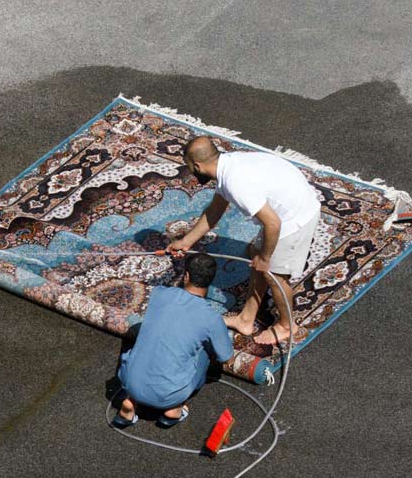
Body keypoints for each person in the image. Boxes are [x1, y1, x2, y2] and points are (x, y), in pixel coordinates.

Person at [167, 136, 321, 345]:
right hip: (287, 204)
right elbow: (215, 211)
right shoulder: (226, 165)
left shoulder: (235, 183)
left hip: (295, 217)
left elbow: (273, 223)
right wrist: (186, 242)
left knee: (272, 273)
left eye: (190, 168)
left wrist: (265, 259)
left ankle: (287, 326)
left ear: (197, 166)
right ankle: (246, 319)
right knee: (256, 254)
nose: (192, 173)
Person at [113, 253, 234, 428]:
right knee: (206, 350)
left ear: (186, 276)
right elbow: (226, 357)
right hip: (168, 395)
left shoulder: (159, 293)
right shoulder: (212, 318)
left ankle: (130, 404)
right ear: (211, 281)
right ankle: (174, 409)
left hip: (129, 383)